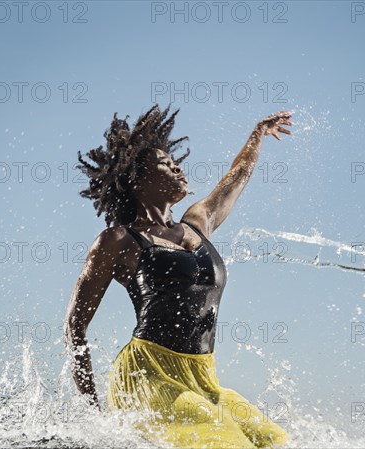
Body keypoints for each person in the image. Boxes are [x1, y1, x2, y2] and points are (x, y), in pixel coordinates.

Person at [63, 104, 292, 448]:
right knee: (229, 442)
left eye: (175, 162)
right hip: (146, 375)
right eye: (165, 165)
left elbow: (236, 177)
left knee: (274, 440)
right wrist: (90, 412)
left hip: (202, 376)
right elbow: (74, 327)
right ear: (137, 181)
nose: (178, 167)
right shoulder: (118, 240)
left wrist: (257, 134)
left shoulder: (198, 222)